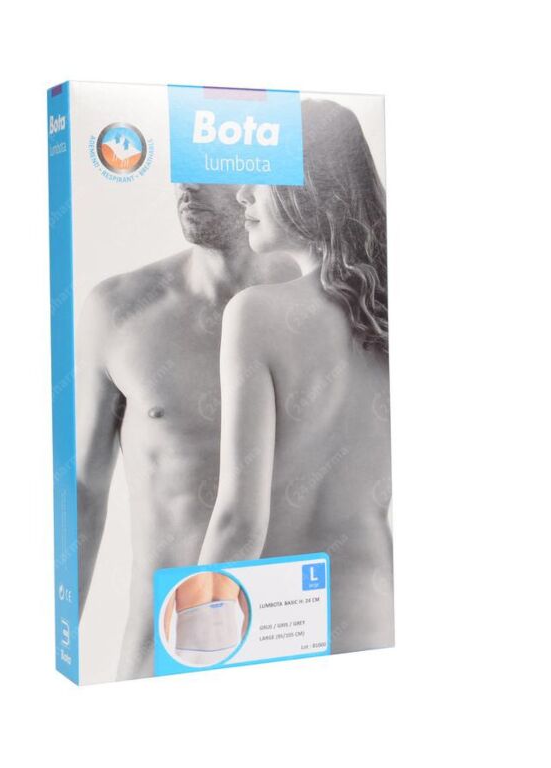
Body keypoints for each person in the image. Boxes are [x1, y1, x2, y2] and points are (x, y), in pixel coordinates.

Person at [75, 183, 298, 680]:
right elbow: (82, 492)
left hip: (298, 634)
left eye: (205, 169)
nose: (186, 185)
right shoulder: (121, 312)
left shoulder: (327, 301)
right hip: (162, 656)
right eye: (181, 168)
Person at [198, 100, 394, 653]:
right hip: (380, 614)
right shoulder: (388, 310)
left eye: (261, 175)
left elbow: (239, 524)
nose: (242, 194)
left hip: (281, 621)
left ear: (310, 186)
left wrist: (191, 634)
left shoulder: (256, 313)